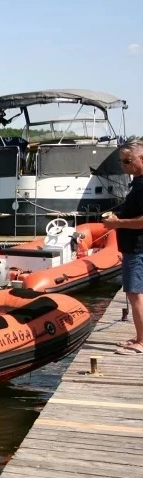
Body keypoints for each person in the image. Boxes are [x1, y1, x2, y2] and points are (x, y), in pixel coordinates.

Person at [103, 140, 143, 355]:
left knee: (134, 293)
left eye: (128, 161)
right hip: (134, 247)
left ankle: (142, 342)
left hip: (137, 249)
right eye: (121, 162)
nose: (124, 166)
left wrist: (116, 223)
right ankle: (140, 336)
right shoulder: (136, 182)